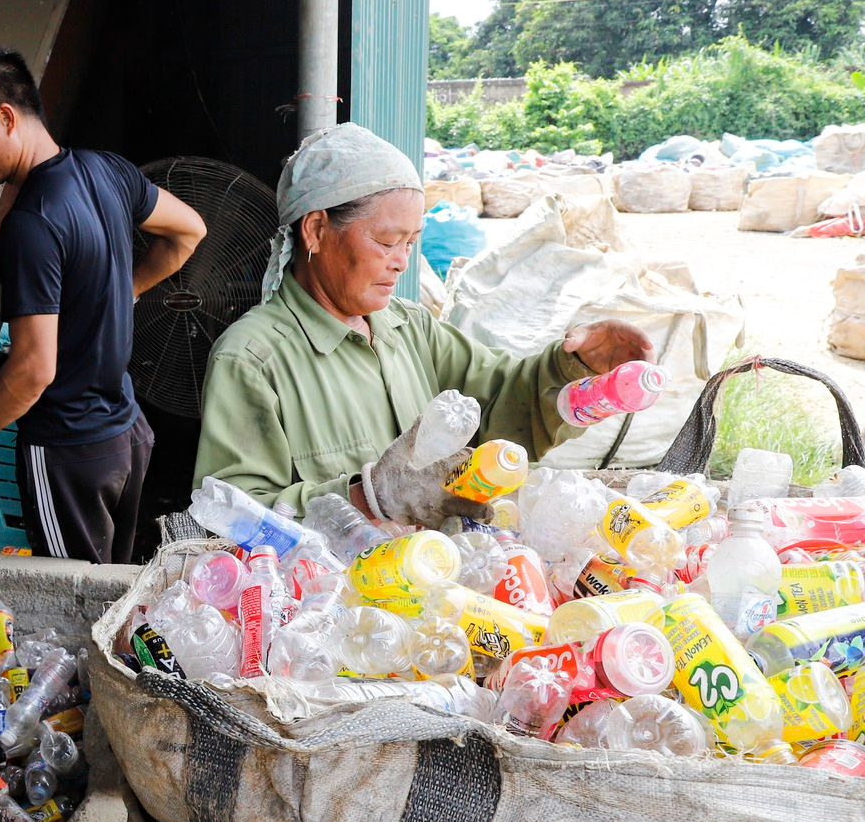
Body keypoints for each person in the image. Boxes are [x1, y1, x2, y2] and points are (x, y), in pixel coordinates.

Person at [194, 123, 653, 524]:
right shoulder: (252, 358)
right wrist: (368, 497)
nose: (401, 263)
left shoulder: (408, 327)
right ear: (315, 230)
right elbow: (230, 514)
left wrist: (575, 369)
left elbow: (504, 404)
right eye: (388, 241)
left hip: (433, 579)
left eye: (411, 243)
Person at [0, 45, 208, 564]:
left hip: (69, 449)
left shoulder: (30, 221)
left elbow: (33, 371)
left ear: (6, 117)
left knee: (74, 603)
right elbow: (189, 231)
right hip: (128, 433)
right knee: (111, 592)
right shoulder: (108, 170)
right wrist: (120, 292)